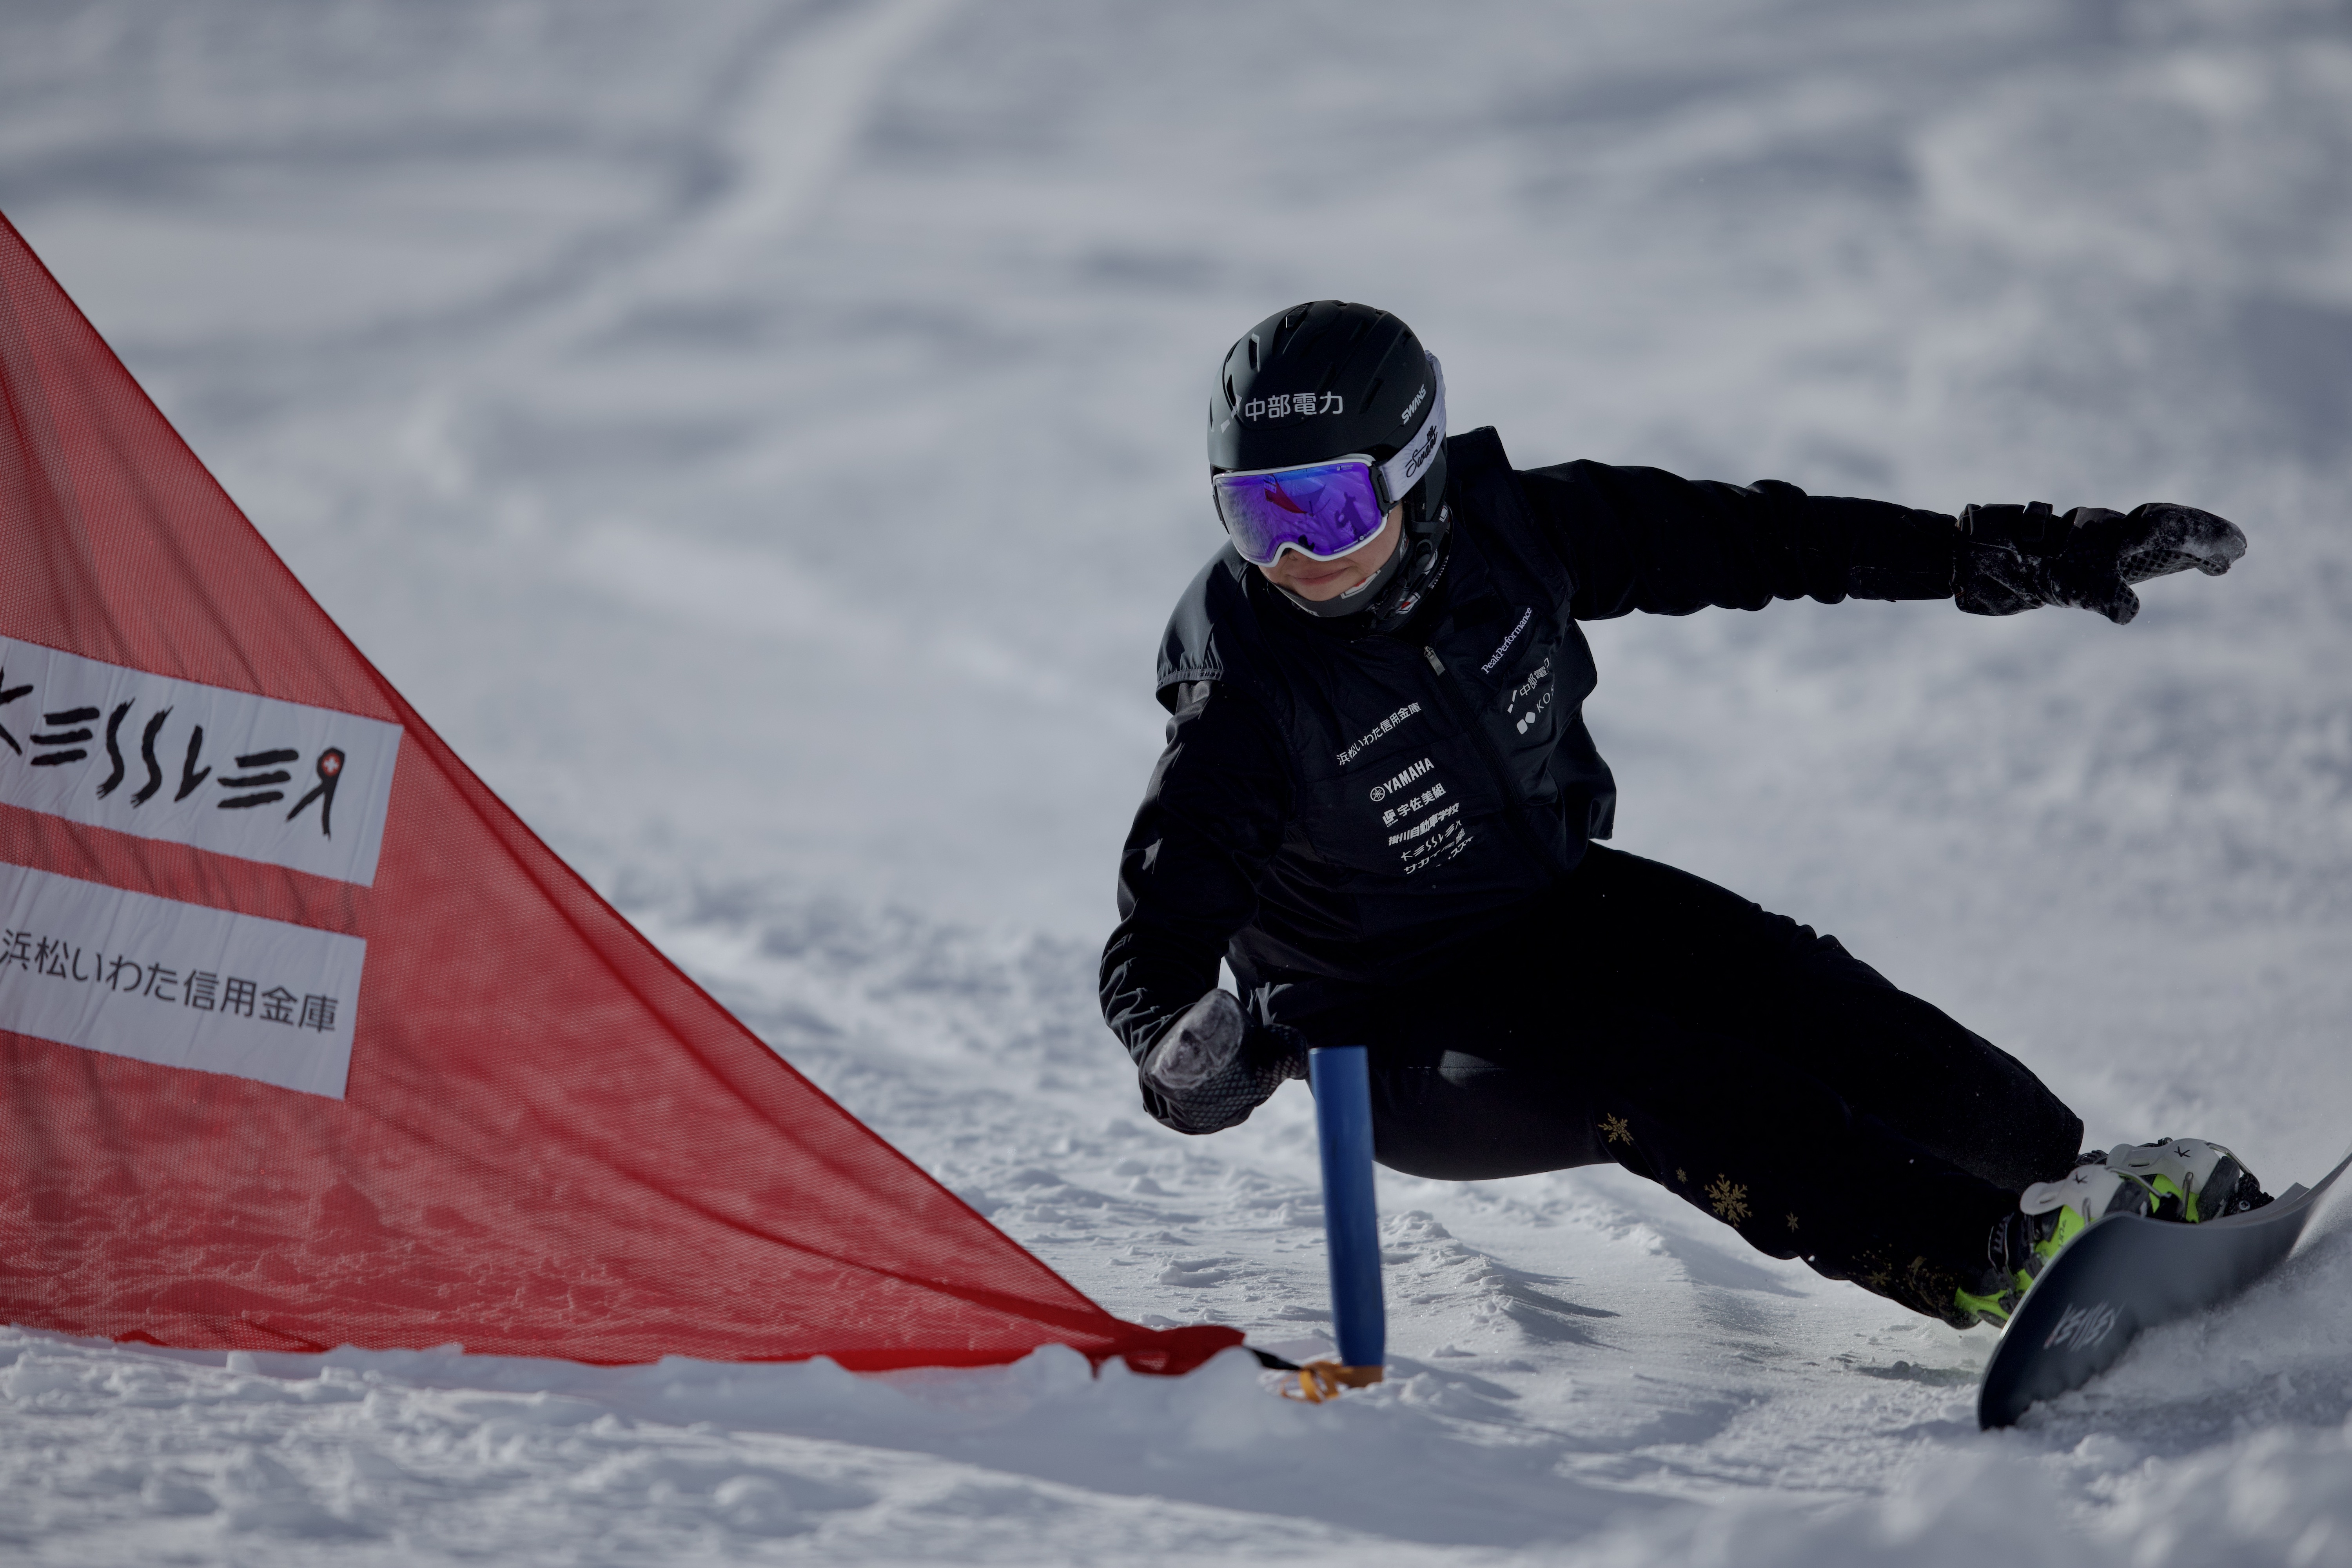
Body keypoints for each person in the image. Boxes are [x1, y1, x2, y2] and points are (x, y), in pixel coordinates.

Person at [1098, 299, 2267, 1329]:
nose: (1297, 555)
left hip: (1551, 907)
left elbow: (1757, 537)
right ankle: (1984, 1261)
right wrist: (1187, 1058)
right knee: (1655, 1075)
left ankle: (2073, 1195)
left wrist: (2003, 550)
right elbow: (1156, 941)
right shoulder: (1246, 695)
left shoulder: (1519, 532)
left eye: (1330, 506)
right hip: (1388, 1030)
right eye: (1257, 517)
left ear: (1413, 469)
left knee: (1811, 1000)